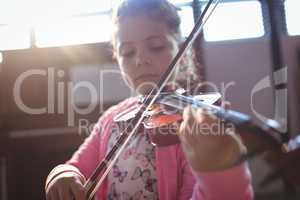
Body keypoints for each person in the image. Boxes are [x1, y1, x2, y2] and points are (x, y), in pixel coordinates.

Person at [45, 0, 253, 199]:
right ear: (117, 59)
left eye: (156, 47)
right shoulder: (111, 119)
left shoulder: (191, 124)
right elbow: (75, 167)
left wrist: (218, 168)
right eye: (127, 52)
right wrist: (62, 175)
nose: (140, 59)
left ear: (181, 51)